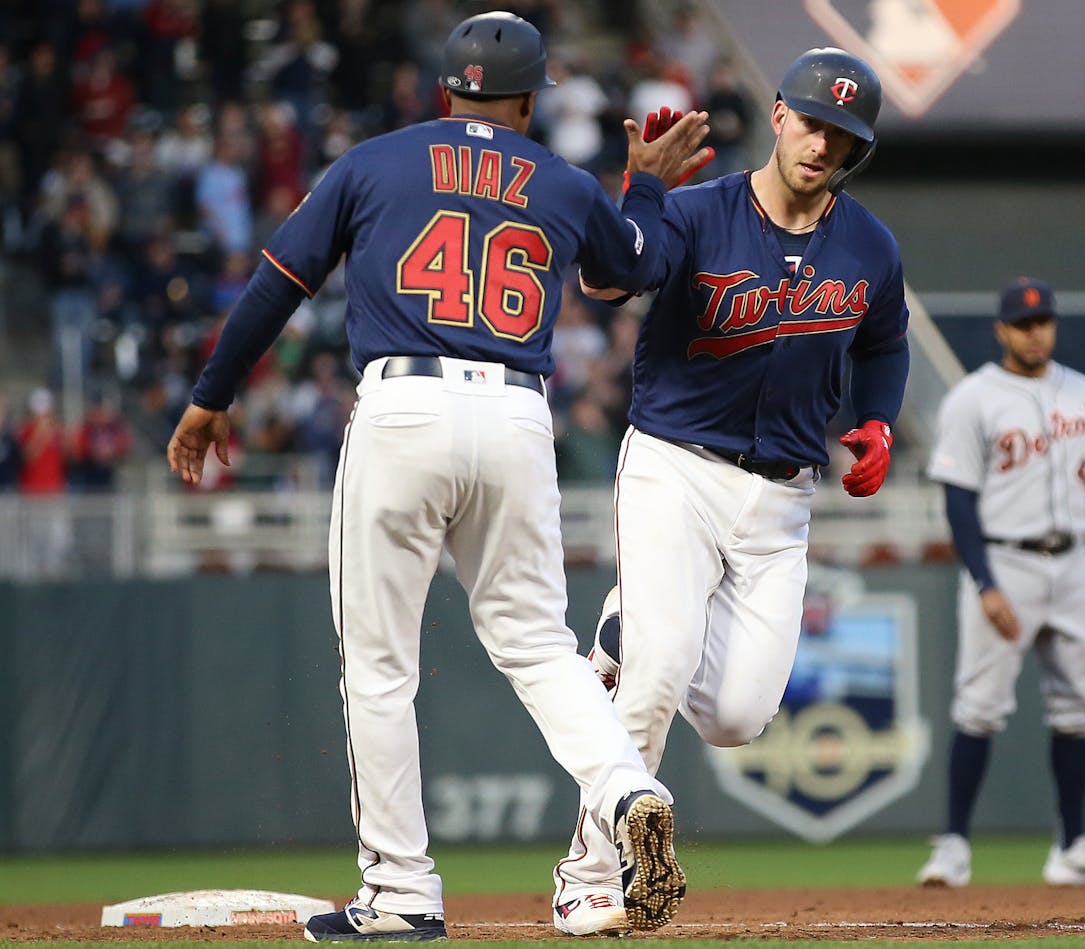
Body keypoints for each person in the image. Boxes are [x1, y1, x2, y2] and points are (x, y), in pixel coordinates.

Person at [165, 11, 712, 941]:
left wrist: (211, 394)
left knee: (380, 666)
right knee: (539, 643)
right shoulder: (562, 181)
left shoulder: (376, 160)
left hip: (402, 404)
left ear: (446, 87)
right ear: (531, 100)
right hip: (515, 411)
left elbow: (278, 281)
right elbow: (635, 273)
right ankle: (627, 789)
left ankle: (402, 890)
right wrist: (645, 190)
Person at [553, 47, 910, 936]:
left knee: (740, 715)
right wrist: (638, 189)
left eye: (845, 133)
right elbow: (611, 277)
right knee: (661, 674)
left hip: (783, 497)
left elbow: (885, 343)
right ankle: (589, 875)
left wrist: (879, 420)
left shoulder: (868, 244)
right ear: (778, 114)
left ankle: (621, 630)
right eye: (812, 121)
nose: (824, 142)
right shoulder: (697, 211)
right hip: (675, 462)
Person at [916, 277, 1085, 888]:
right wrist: (985, 584)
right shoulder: (973, 398)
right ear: (1001, 330)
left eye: (1042, 320)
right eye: (1022, 323)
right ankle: (953, 847)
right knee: (979, 708)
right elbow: (958, 501)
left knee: (1078, 711)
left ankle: (1073, 849)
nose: (1034, 330)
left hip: (1072, 565)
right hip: (1004, 561)